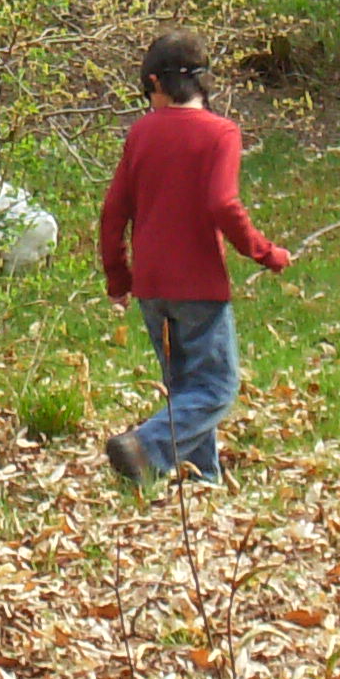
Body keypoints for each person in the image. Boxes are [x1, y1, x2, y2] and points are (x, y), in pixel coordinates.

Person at [97, 31, 290, 486]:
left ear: (155, 83)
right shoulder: (220, 133)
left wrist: (118, 278)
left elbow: (113, 213)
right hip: (199, 285)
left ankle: (203, 480)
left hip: (151, 287)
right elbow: (223, 204)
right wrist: (266, 253)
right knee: (217, 389)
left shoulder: (142, 133)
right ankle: (145, 446)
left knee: (186, 389)